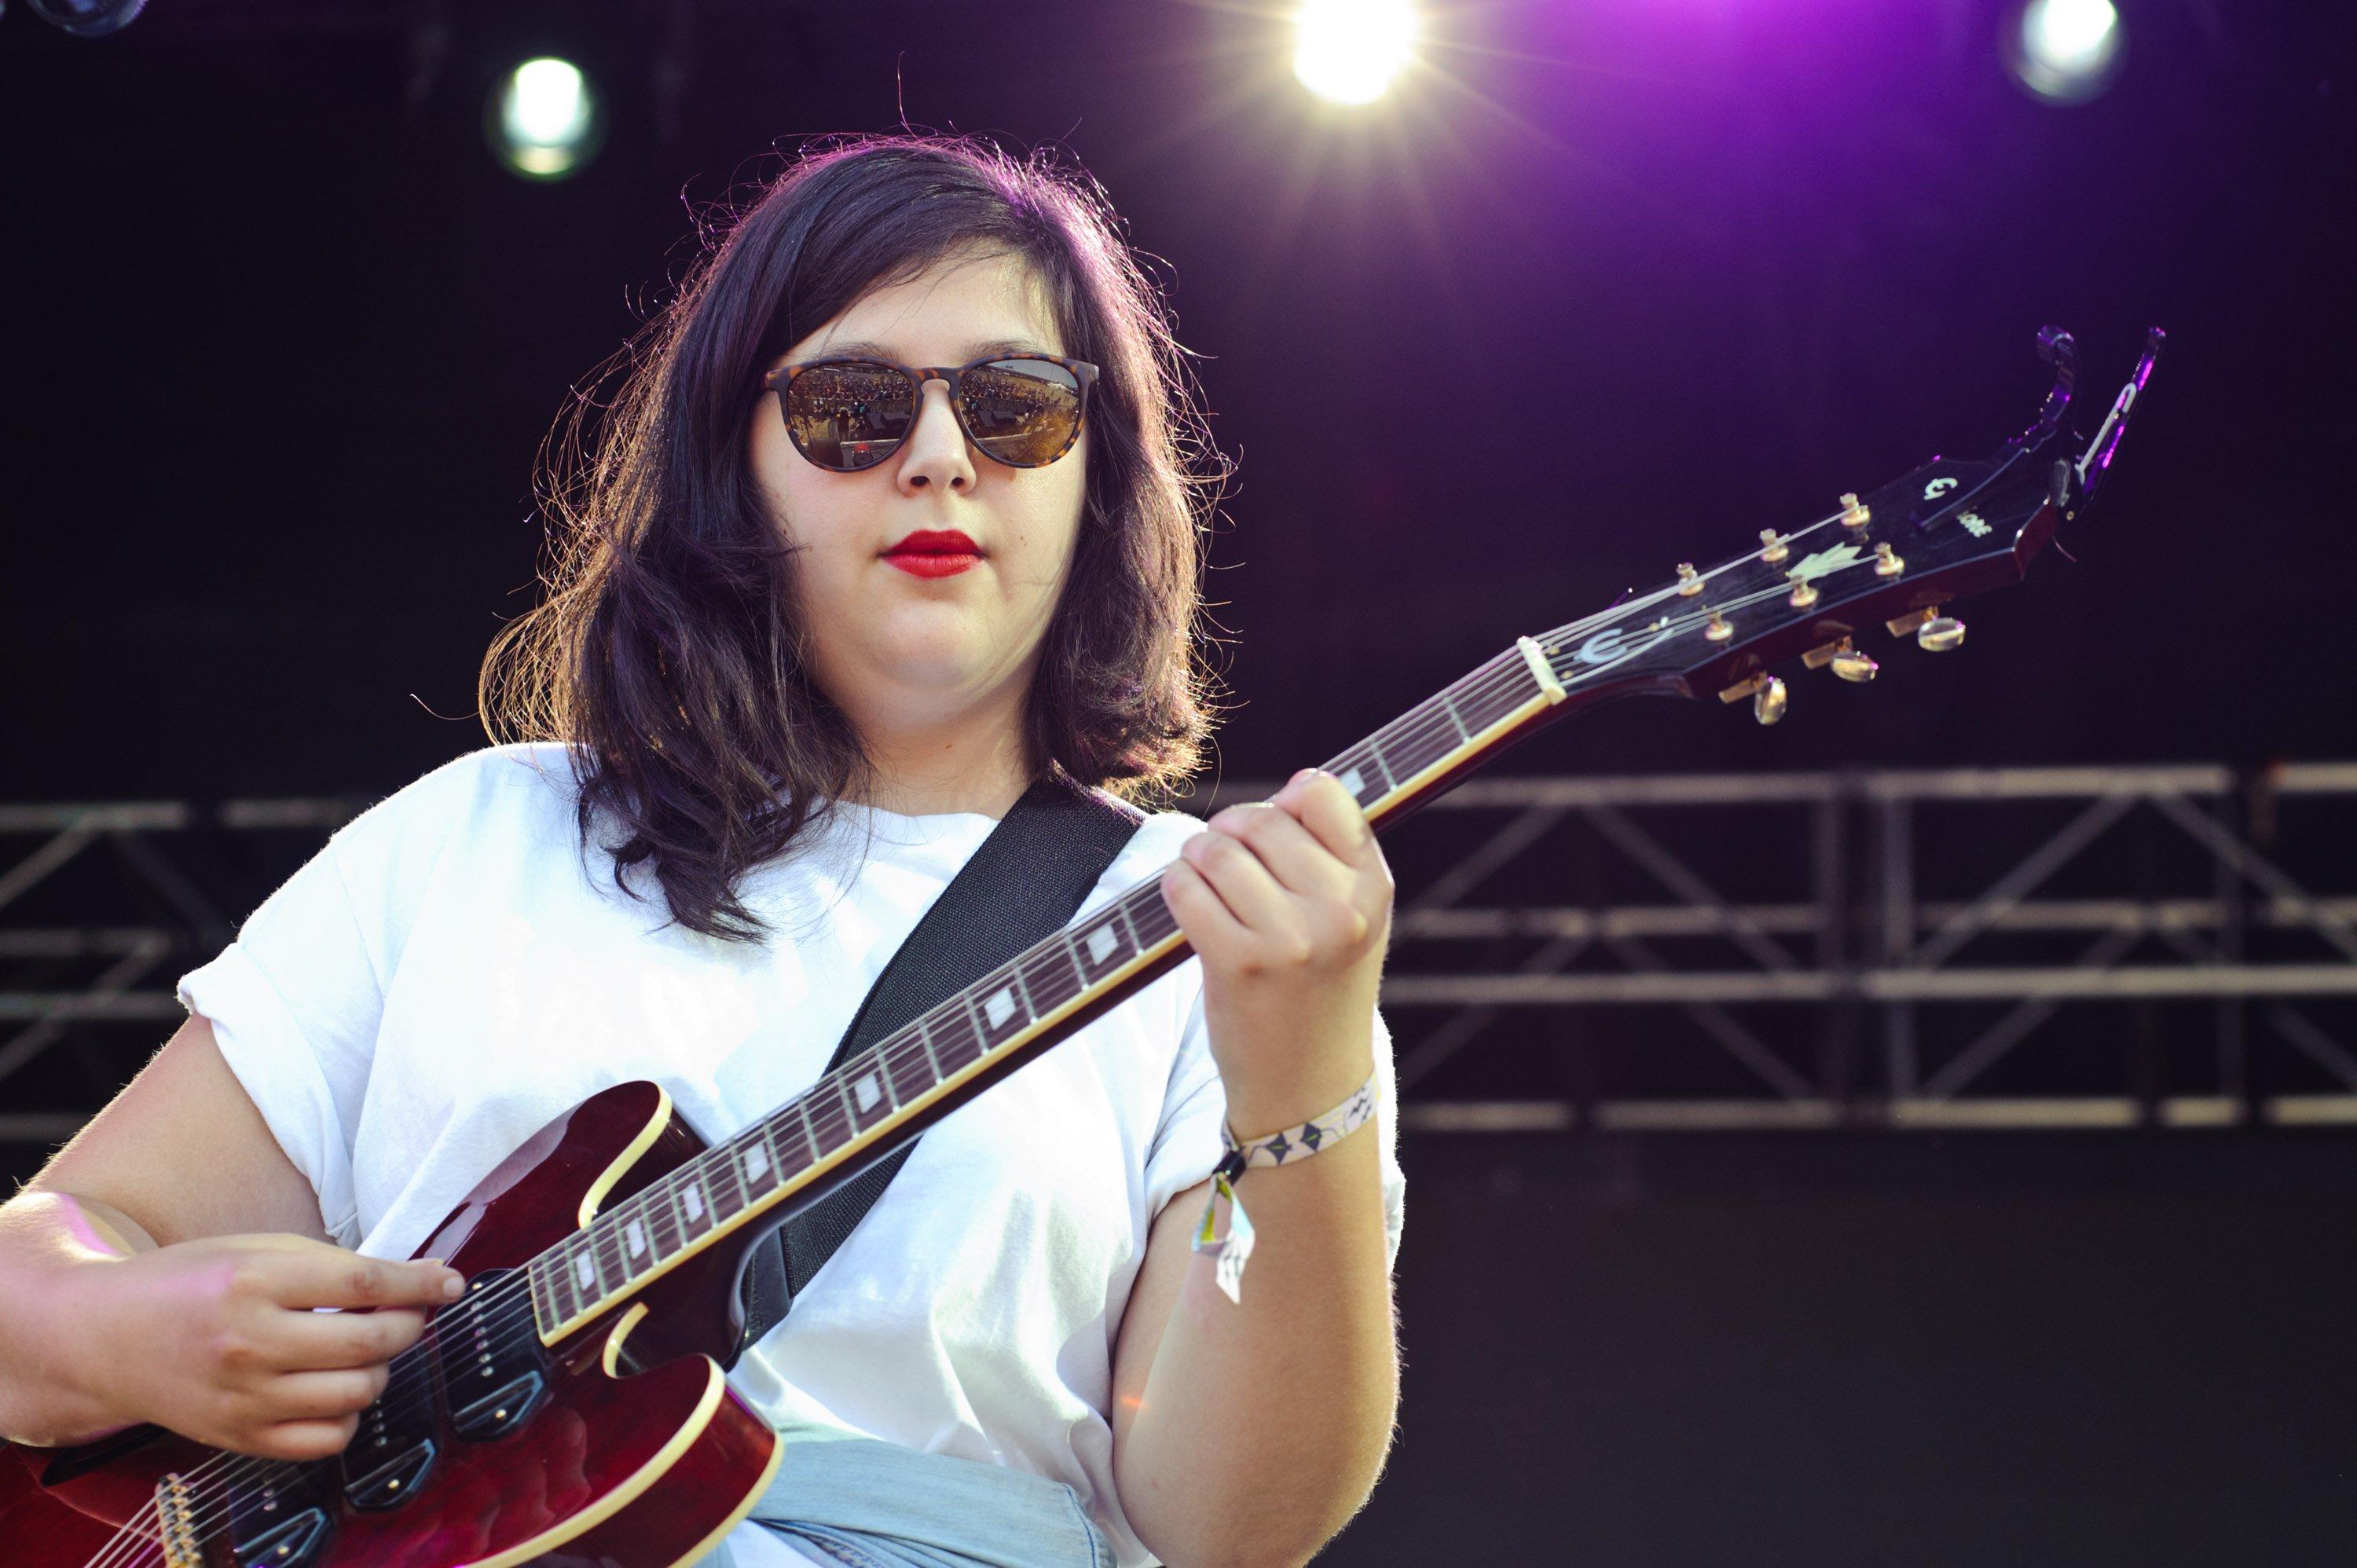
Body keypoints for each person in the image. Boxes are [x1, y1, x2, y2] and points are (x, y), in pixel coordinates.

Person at [0, 133, 1405, 1567]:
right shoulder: (484, 836)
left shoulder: (1198, 934)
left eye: (1015, 409)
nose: (937, 459)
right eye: (852, 408)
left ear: (1093, 474)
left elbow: (1238, 1529)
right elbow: (42, 1256)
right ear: (732, 464)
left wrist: (1303, 1085)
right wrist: (124, 1327)